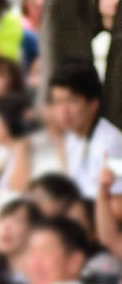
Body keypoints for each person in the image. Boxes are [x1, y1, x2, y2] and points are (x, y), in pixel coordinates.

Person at [49, 60, 122, 197]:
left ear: (93, 104)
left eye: (72, 101)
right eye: (58, 102)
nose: (64, 111)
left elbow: (117, 203)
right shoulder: (72, 135)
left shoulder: (111, 143)